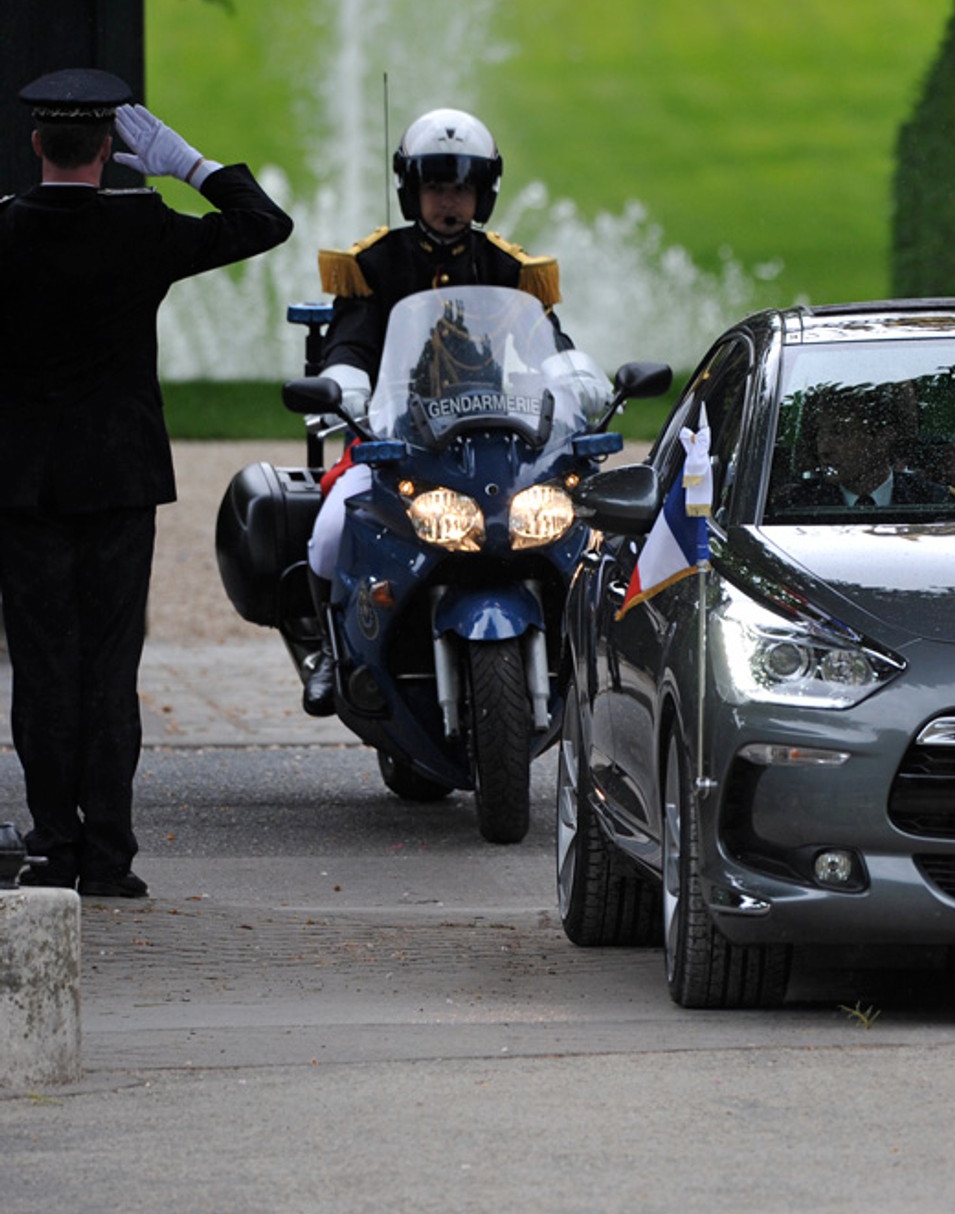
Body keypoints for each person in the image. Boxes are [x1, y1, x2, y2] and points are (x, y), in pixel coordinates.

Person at [0, 69, 293, 896]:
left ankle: (52, 846)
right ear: (113, 148)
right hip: (118, 478)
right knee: (108, 666)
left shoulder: (6, 233)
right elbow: (264, 224)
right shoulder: (142, 229)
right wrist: (189, 165)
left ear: (35, 145)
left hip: (23, 485)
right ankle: (110, 855)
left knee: (43, 665)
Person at [302, 107, 609, 715]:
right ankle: (327, 652)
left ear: (483, 193)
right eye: (437, 187)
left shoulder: (507, 266)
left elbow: (547, 340)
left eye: (462, 187)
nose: (449, 201)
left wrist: (572, 376)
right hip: (395, 441)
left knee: (579, 522)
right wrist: (343, 382)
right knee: (330, 531)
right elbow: (352, 340)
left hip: (497, 438)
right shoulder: (378, 262)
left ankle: (587, 647)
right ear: (412, 191)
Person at [779, 383, 951, 510]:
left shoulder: (936, 502)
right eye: (819, 434)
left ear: (883, 438)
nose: (824, 449)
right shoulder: (796, 505)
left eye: (840, 433)